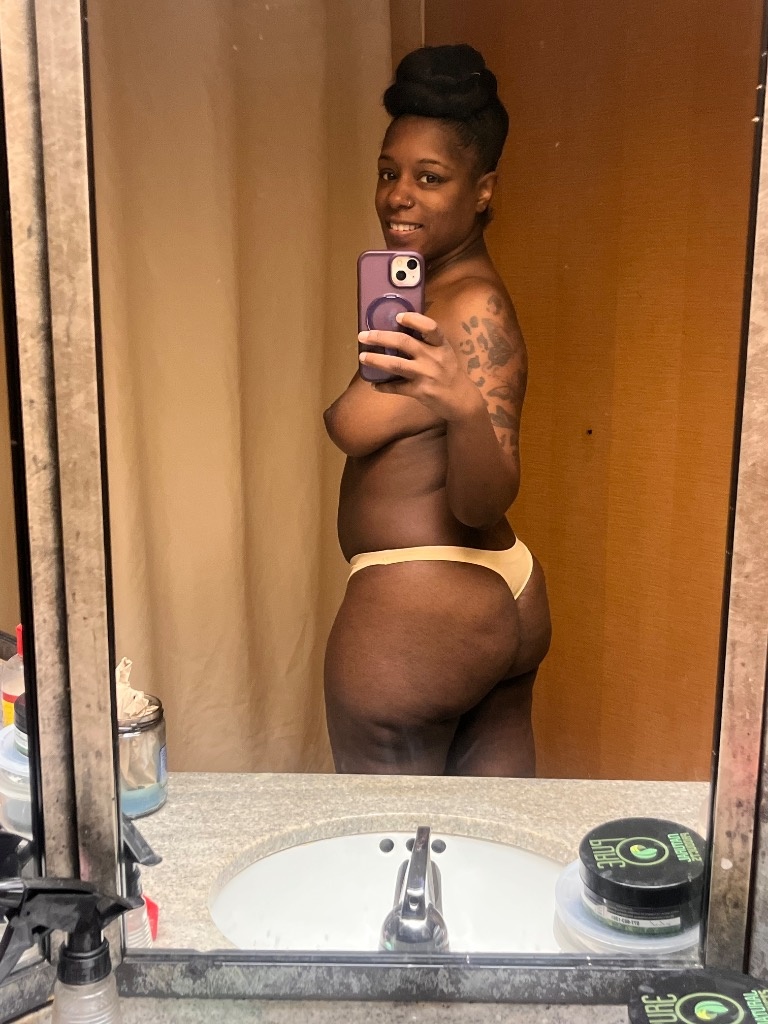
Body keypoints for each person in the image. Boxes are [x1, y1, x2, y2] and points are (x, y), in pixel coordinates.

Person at [322, 44, 551, 776]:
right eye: (388, 172)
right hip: (488, 594)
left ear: (482, 190)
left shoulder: (468, 304)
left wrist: (463, 407)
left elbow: (479, 501)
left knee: (386, 838)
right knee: (492, 838)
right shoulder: (434, 295)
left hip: (422, 599)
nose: (399, 196)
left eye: (430, 177)